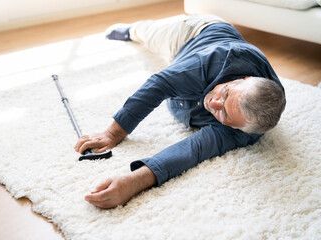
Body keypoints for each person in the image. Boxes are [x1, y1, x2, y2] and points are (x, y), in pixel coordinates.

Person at [74, 15, 286, 209]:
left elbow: (193, 150)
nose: (214, 103)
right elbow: (160, 84)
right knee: (149, 34)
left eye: (225, 115)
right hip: (194, 33)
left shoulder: (244, 132)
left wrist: (134, 181)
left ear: (238, 129)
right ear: (244, 79)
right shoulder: (218, 59)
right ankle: (131, 30)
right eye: (226, 92)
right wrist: (113, 133)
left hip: (204, 64)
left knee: (184, 78)